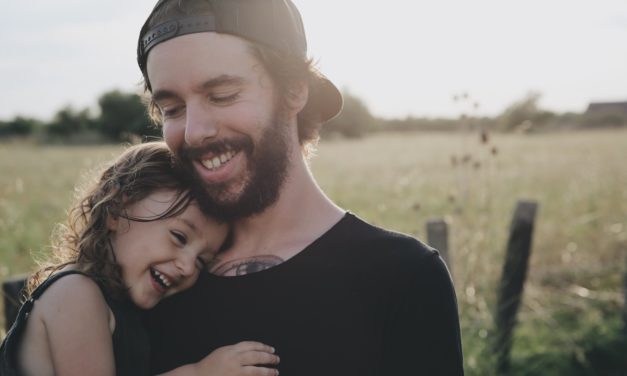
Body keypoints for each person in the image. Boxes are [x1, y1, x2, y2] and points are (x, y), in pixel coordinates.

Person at [138, 0, 465, 374]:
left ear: (294, 91)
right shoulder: (153, 275)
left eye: (222, 95)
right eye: (172, 109)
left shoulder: (402, 278)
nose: (195, 132)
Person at [0, 142, 280, 376]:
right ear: (116, 210)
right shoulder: (76, 294)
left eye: (200, 262)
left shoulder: (120, 306)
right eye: (179, 237)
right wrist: (200, 373)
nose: (186, 266)